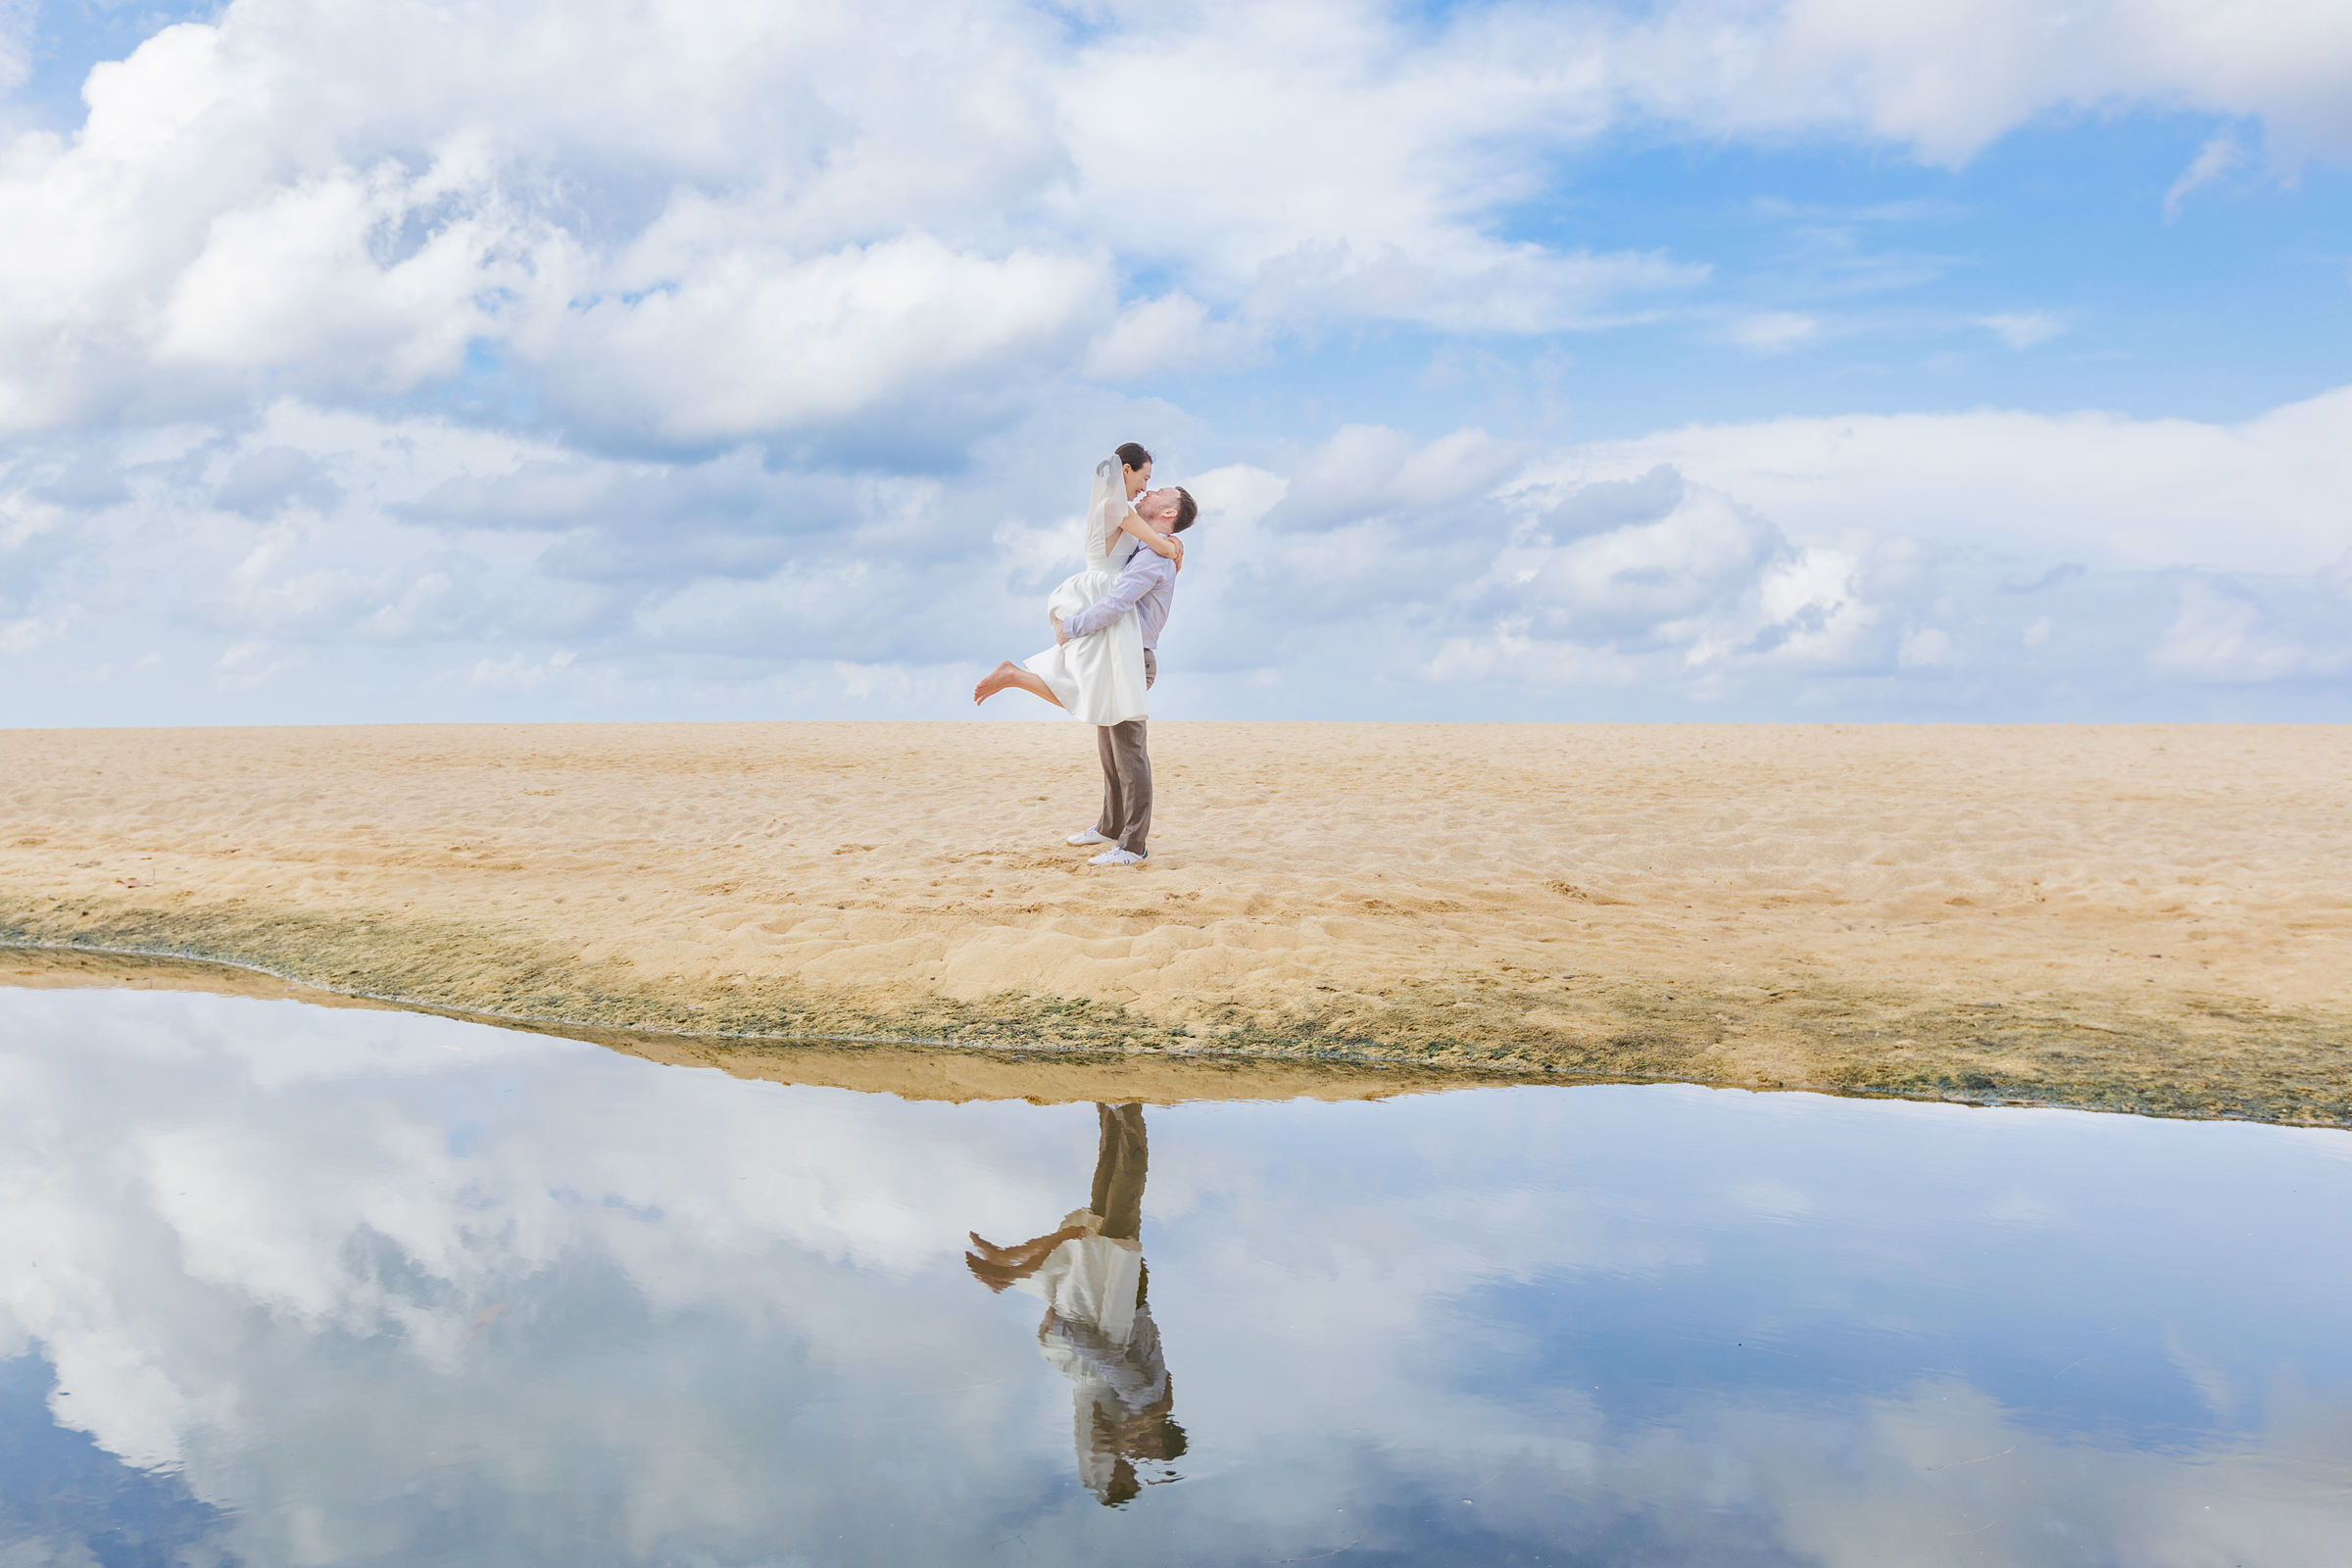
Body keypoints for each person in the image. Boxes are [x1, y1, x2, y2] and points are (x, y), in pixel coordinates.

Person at [973, 466, 1199, 867]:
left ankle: (1133, 846)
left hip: (1132, 658)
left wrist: (1071, 629)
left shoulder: (1152, 558)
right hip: (1115, 653)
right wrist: (1172, 542)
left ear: (1169, 512)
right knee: (1110, 751)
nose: (1148, 492)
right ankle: (1111, 827)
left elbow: (1117, 602)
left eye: (1158, 491)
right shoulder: (1149, 546)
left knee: (1130, 756)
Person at [965, 1103, 1185, 1507]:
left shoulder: (1144, 1406)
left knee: (1107, 1208)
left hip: (1123, 1300)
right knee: (1112, 1206)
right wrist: (1063, 1329)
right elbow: (1109, 1361)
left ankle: (1117, 1109)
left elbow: (1112, 1368)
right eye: (1144, 1458)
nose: (1136, 1461)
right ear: (1157, 1440)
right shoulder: (1142, 1402)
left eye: (1130, 1473)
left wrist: (1131, 1434)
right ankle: (1120, 1109)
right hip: (1119, 1298)